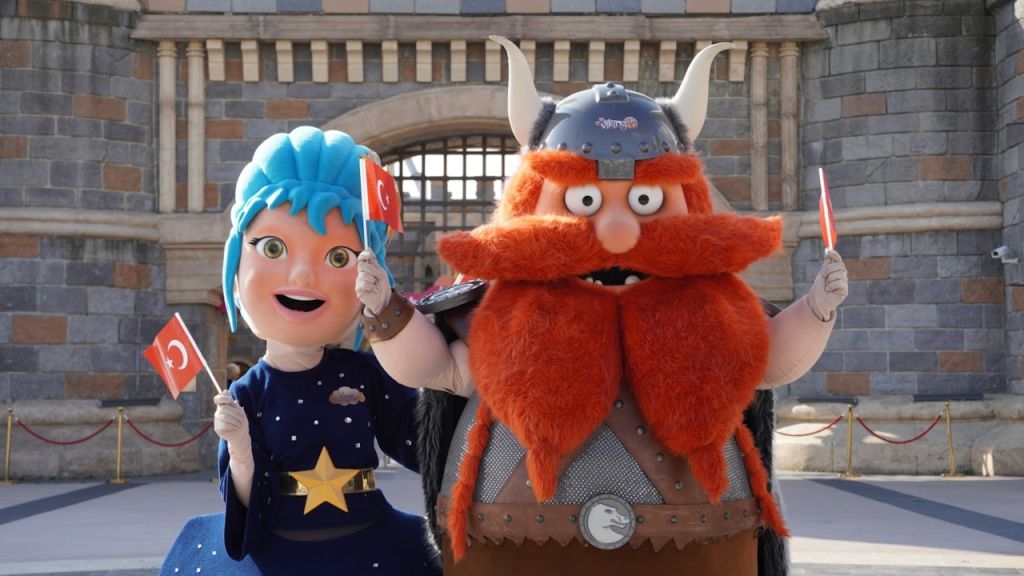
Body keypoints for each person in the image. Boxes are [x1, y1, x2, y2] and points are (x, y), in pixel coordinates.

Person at [354, 38, 848, 576]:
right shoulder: (497, 321)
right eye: (584, 201)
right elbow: (432, 367)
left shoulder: (718, 316)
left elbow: (770, 361)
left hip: (699, 547)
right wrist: (385, 311)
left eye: (645, 202)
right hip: (518, 549)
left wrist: (816, 309)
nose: (616, 233)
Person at [160, 126, 441, 576]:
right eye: (273, 248)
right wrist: (240, 447)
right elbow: (246, 506)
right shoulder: (246, 393)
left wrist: (391, 314)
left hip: (374, 544)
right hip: (277, 552)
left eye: (338, 258)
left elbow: (426, 444)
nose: (303, 276)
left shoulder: (367, 374)